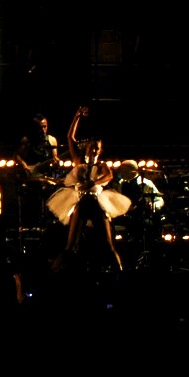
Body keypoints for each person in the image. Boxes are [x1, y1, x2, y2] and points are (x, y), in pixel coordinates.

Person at [47, 106, 129, 272]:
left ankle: (120, 272)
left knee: (109, 244)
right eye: (93, 146)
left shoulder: (102, 165)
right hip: (83, 203)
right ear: (87, 148)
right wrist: (77, 116)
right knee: (70, 245)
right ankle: (54, 271)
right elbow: (70, 137)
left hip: (97, 204)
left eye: (97, 147)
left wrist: (93, 182)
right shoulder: (79, 161)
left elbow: (109, 177)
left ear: (101, 150)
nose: (95, 149)